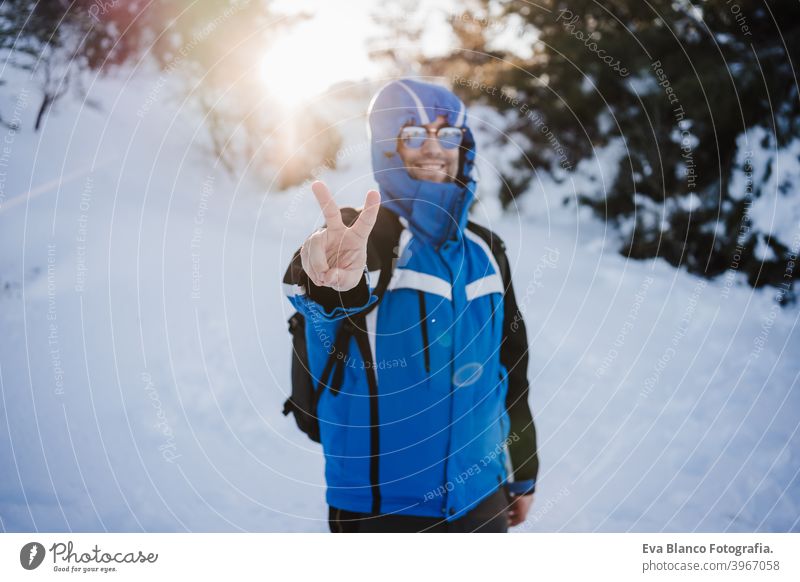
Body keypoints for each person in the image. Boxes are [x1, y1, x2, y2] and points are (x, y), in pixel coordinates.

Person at [282, 78, 539, 533]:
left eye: (448, 134)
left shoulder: (487, 249)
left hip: (483, 497)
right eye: (413, 135)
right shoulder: (366, 237)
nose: (434, 148)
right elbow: (328, 287)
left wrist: (523, 469)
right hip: (383, 507)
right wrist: (327, 279)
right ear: (387, 148)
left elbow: (510, 367)